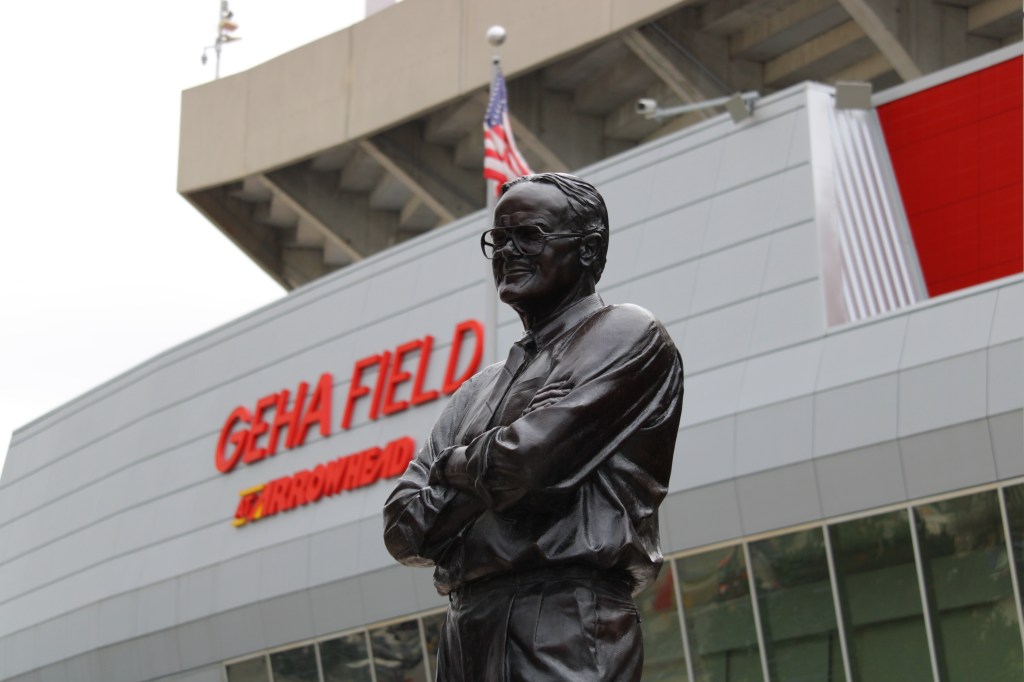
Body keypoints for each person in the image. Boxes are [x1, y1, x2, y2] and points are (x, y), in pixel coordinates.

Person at [383, 172, 683, 681]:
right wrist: (493, 465)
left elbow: (529, 466)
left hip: (563, 621)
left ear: (588, 250)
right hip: (464, 632)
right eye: (498, 240)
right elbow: (402, 525)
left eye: (529, 235)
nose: (507, 252)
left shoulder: (627, 333)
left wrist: (453, 465)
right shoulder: (478, 389)